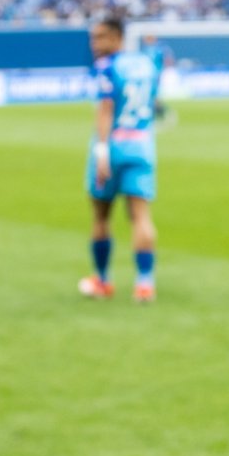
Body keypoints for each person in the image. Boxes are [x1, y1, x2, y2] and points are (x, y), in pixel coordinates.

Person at [78, 17, 160, 303]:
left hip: (113, 146)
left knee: (101, 216)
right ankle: (145, 284)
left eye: (100, 37)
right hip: (142, 146)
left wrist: (102, 151)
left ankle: (102, 281)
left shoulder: (107, 66)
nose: (94, 44)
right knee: (141, 216)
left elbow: (105, 108)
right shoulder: (147, 64)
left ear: (117, 37)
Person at [140, 33, 176, 127]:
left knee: (153, 96)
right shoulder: (144, 50)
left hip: (155, 76)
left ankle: (163, 113)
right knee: (150, 96)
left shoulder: (158, 50)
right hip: (146, 76)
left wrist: (163, 70)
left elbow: (167, 60)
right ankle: (155, 114)